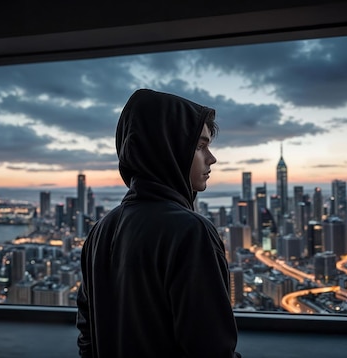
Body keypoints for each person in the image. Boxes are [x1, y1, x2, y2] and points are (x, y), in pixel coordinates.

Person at [76, 89, 241, 357]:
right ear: (167, 148)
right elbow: (212, 349)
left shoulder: (100, 230)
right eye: (199, 146)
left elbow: (87, 336)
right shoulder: (190, 232)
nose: (212, 158)